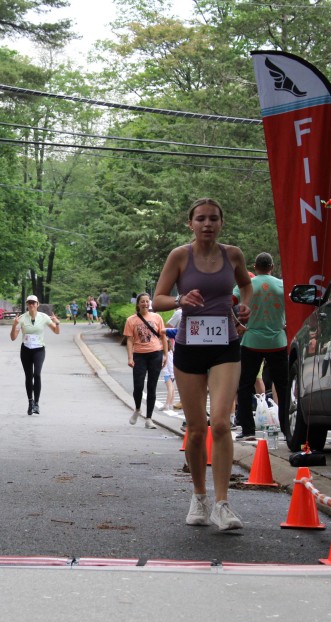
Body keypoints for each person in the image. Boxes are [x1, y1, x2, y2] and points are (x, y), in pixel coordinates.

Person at [152, 198, 252, 531]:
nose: (207, 224)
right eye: (200, 219)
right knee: (196, 430)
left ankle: (222, 504)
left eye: (213, 219)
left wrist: (245, 306)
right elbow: (157, 299)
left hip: (226, 345)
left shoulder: (233, 255)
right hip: (190, 346)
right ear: (190, 224)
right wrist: (180, 300)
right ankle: (199, 496)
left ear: (221, 223)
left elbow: (246, 284)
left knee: (221, 423)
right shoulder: (179, 256)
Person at [234, 252, 289, 441]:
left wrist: (237, 324)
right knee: (283, 386)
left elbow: (229, 303)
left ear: (255, 267)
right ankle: (287, 429)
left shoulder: (246, 285)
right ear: (272, 267)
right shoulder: (282, 285)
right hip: (277, 341)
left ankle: (248, 430)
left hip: (252, 341)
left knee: (245, 385)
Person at [123, 293, 168, 429]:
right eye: (142, 301)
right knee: (138, 386)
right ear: (138, 304)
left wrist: (165, 355)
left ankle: (149, 418)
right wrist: (130, 357)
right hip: (139, 355)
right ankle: (137, 409)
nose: (145, 304)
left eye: (147, 301)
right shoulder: (131, 320)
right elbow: (129, 340)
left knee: (152, 387)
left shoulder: (157, 317)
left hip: (155, 354)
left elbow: (163, 337)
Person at [10, 294, 60, 415]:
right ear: (27, 305)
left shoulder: (44, 317)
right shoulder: (22, 318)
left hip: (39, 349)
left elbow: (56, 331)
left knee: (37, 374)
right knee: (28, 376)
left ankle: (36, 403)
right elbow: (13, 337)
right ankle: (30, 402)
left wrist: (57, 323)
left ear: (37, 304)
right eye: (29, 303)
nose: (31, 305)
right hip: (26, 350)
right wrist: (14, 325)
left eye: (33, 303)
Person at [161, 329, 178, 413]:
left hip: (168, 373)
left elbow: (170, 365)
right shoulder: (170, 352)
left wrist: (172, 375)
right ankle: (170, 404)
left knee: (170, 389)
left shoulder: (168, 354)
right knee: (172, 389)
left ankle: (167, 404)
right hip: (170, 373)